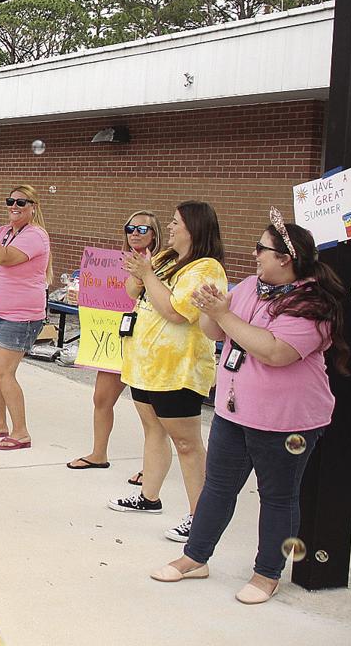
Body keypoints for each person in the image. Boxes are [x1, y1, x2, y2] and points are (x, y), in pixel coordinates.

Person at [151, 214, 345, 603]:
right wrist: (211, 308)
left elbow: (275, 351)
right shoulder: (252, 288)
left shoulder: (314, 303)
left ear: (286, 258)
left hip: (285, 419)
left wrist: (224, 314)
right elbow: (215, 332)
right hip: (234, 411)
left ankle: (266, 573)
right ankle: (196, 557)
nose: (254, 255)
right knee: (218, 488)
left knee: (277, 496)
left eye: (262, 249)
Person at [109, 201, 227, 545]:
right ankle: (149, 497)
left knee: (187, 443)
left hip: (178, 370)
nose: (170, 228)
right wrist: (140, 269)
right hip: (145, 366)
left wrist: (146, 275)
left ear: (195, 228)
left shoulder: (206, 268)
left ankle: (199, 517)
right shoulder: (164, 258)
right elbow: (132, 291)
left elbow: (178, 312)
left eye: (176, 223)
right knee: (152, 430)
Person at [67, 211, 160, 482]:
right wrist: (82, 296)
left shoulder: (164, 263)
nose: (135, 233)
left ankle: (151, 466)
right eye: (130, 228)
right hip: (115, 339)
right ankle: (99, 453)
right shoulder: (113, 262)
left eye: (142, 229)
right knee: (101, 398)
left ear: (155, 233)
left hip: (147, 341)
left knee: (149, 410)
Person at [0, 185, 53, 451]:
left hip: (20, 315)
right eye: (10, 201)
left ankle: (21, 432)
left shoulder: (36, 235)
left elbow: (2, 258)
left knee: (4, 371)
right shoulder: (2, 232)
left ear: (33, 207)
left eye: (21, 202)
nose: (14, 206)